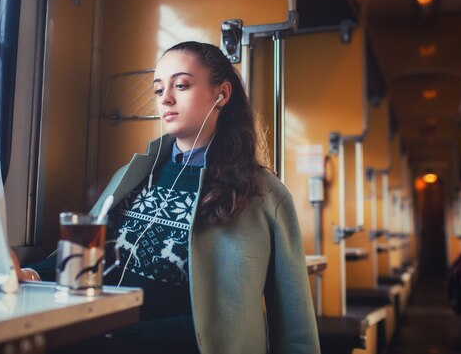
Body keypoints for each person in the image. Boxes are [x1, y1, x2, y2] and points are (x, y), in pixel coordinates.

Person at [23, 41, 320, 354]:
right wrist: (28, 274)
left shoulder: (265, 195)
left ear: (222, 94)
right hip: (99, 332)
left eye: (181, 85)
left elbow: (295, 327)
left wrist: (118, 334)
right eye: (157, 89)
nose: (165, 98)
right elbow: (80, 255)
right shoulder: (133, 174)